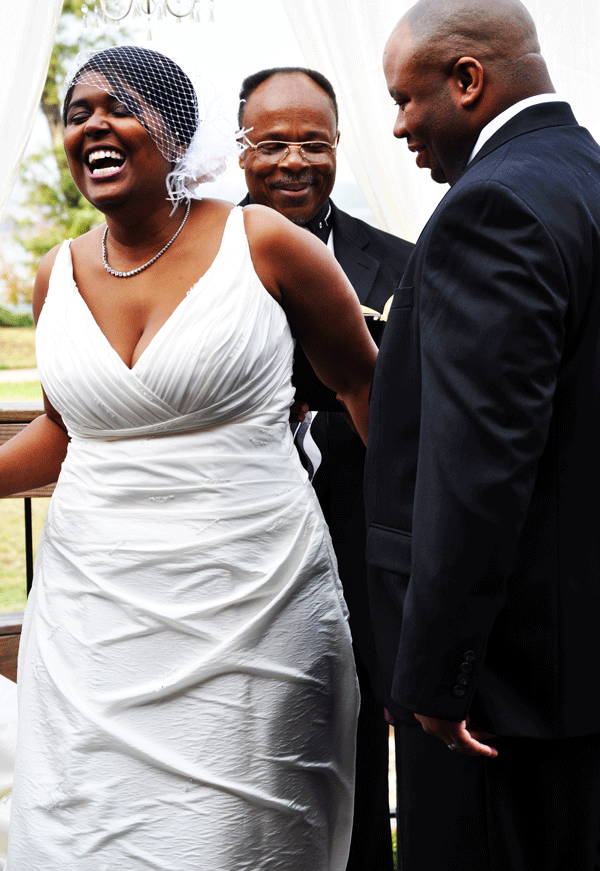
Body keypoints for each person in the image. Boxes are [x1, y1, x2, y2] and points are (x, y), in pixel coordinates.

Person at [3, 45, 378, 871]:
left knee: (232, 840)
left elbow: (367, 391)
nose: (93, 124)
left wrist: (424, 551)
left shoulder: (265, 243)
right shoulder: (52, 275)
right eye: (76, 112)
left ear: (177, 133)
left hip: (252, 606)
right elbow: (65, 432)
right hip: (92, 621)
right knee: (85, 836)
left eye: (118, 106)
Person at [364, 0, 600, 871]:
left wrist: (437, 676)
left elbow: (479, 470)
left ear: (467, 79)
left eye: (403, 97)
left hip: (500, 692)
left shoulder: (491, 207)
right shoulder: (583, 177)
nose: (397, 127)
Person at [238, 66, 413, 871]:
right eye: (272, 143)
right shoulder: (197, 262)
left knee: (369, 783)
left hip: (368, 566)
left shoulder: (405, 264)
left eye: (315, 141)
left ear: (341, 145)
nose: (294, 161)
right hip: (237, 573)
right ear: (240, 151)